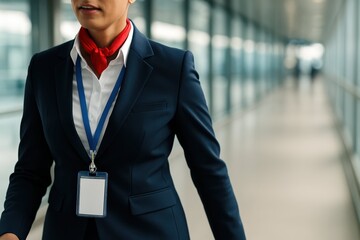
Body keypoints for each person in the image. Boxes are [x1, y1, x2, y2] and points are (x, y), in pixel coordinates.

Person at [0, 0, 246, 239]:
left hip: (149, 230)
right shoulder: (44, 68)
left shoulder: (172, 68)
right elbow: (30, 170)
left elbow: (208, 170)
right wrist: (10, 231)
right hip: (67, 230)